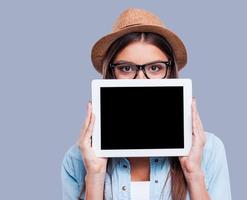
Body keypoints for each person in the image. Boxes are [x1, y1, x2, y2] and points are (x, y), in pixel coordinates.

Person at [61, 8, 232, 200]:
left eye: (155, 68)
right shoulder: (77, 159)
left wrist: (193, 173)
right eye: (126, 68)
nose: (141, 80)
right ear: (111, 74)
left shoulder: (209, 150)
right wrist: (95, 174)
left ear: (170, 73)